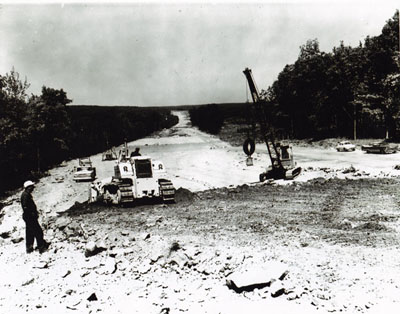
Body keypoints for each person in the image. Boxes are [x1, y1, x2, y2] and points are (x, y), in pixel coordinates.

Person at [20, 180, 49, 254]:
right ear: (28, 187)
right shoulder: (25, 196)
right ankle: (41, 248)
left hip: (28, 217)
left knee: (29, 233)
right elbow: (25, 207)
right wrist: (32, 214)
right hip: (30, 217)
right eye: (32, 187)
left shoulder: (26, 194)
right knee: (38, 232)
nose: (33, 188)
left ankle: (29, 248)